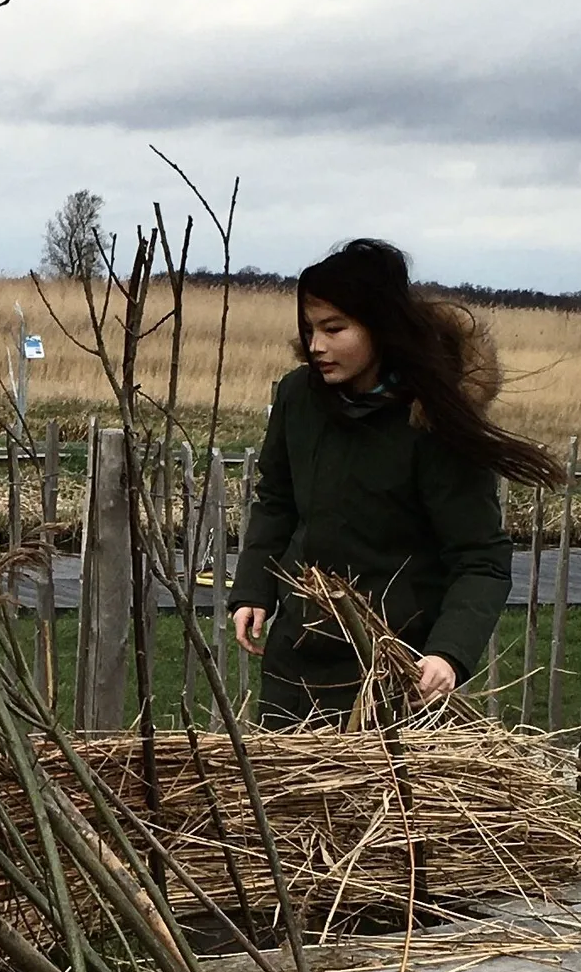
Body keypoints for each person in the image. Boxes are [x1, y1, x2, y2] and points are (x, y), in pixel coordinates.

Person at [226, 239, 559, 723]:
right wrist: (253, 588)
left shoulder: (433, 421)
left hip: (395, 676)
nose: (316, 345)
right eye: (309, 328)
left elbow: (480, 559)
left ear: (380, 325)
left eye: (334, 328)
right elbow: (276, 500)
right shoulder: (299, 397)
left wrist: (447, 654)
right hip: (295, 665)